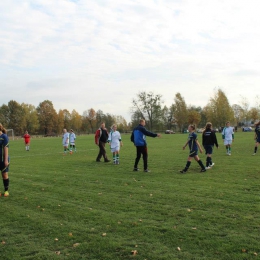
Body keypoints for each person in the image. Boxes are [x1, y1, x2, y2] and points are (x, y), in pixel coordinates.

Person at [0, 123, 10, 197]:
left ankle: (6, 190)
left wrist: (6, 160)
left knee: (4, 174)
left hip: (3, 159)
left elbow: (6, 148)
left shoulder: (4, 136)